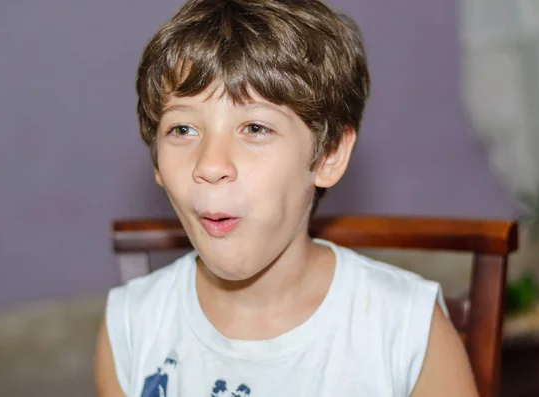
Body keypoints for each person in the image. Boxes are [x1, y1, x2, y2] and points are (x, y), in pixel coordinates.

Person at [94, 0, 478, 396]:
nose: (209, 164)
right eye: (183, 129)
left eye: (255, 127)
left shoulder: (404, 330)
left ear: (328, 155)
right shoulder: (131, 328)